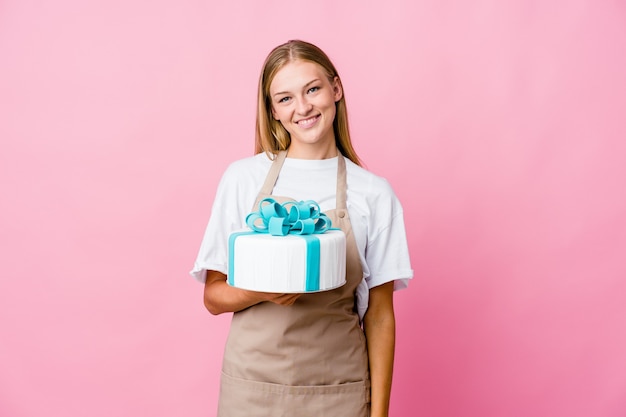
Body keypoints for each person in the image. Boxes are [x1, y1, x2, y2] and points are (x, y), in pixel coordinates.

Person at [190, 39, 413, 417]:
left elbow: (379, 316)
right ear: (273, 111)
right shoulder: (243, 178)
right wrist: (262, 291)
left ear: (335, 89)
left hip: (339, 391)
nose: (303, 107)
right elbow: (214, 295)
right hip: (252, 389)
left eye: (312, 89)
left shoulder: (374, 193)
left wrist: (379, 415)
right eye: (285, 98)